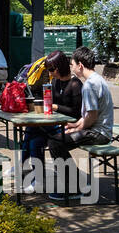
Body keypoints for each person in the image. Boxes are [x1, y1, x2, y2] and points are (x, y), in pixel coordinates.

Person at [44, 46, 113, 200]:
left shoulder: (89, 85)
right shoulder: (96, 79)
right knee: (57, 139)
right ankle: (76, 184)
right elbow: (89, 114)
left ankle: (73, 188)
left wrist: (77, 129)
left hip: (99, 133)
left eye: (73, 64)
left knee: (55, 142)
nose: (72, 68)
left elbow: (92, 117)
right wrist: (75, 126)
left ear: (80, 65)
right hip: (97, 129)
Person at [22, 51, 80, 165]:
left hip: (69, 126)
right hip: (54, 124)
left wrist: (55, 107)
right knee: (30, 129)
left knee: (35, 141)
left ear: (59, 68)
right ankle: (22, 166)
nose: (50, 73)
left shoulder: (75, 85)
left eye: (51, 69)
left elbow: (76, 113)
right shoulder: (54, 81)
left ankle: (36, 178)